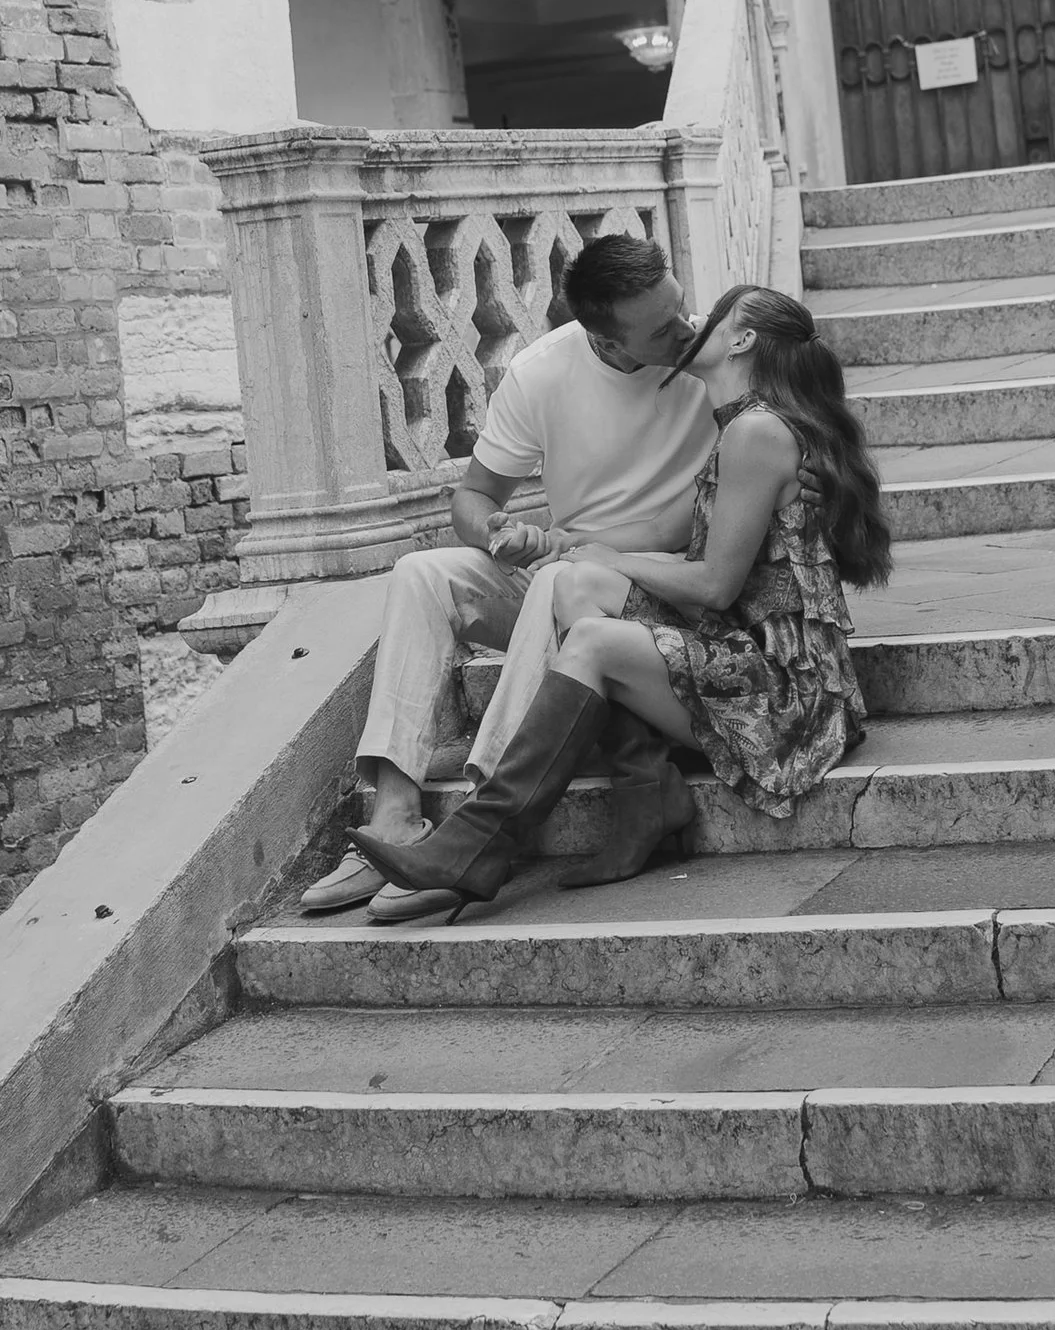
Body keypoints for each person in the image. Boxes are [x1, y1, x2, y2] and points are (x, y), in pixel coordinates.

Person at [355, 285, 892, 919]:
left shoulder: (755, 431)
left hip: (787, 695)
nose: (694, 324)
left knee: (589, 627)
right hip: (740, 655)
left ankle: (482, 841)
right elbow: (663, 532)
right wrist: (562, 547)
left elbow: (715, 585)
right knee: (576, 590)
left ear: (741, 339)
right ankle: (626, 799)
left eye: (711, 317)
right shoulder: (739, 428)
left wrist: (607, 562)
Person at [298, 230, 717, 916]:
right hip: (567, 565)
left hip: (655, 582)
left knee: (561, 578)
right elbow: (473, 497)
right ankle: (396, 815)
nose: (685, 328)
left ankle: (474, 826)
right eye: (663, 326)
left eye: (680, 307)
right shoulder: (543, 371)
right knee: (420, 574)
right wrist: (498, 533)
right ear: (607, 342)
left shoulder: (710, 356)